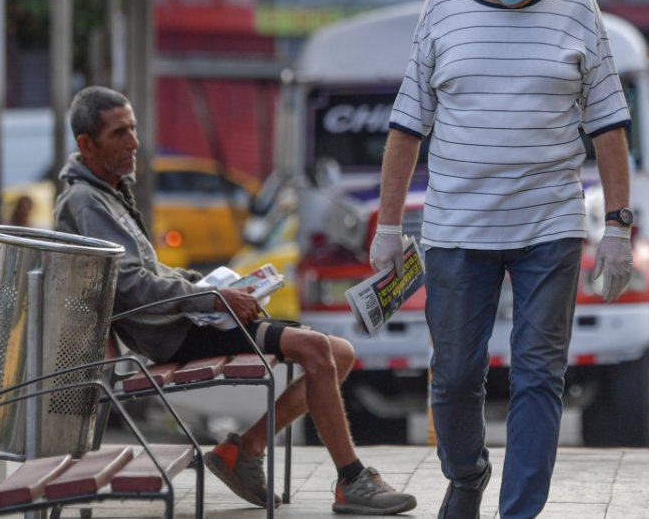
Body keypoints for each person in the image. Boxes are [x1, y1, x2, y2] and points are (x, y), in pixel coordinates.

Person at [373, 0, 634, 519]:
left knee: (539, 374)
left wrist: (620, 226)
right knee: (456, 374)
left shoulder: (579, 10)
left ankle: (520, 512)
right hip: (458, 228)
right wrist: (387, 225)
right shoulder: (441, 8)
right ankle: (467, 476)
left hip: (550, 224)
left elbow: (608, 127)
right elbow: (409, 124)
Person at [54, 86, 416, 515]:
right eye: (119, 133)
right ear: (86, 144)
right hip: (177, 334)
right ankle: (351, 480)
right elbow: (130, 286)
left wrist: (210, 283)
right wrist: (210, 297)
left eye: (133, 128)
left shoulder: (107, 192)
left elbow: (145, 272)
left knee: (340, 352)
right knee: (318, 350)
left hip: (187, 321)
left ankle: (245, 450)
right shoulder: (85, 200)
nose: (134, 141)